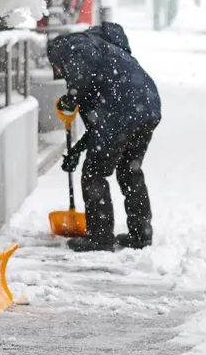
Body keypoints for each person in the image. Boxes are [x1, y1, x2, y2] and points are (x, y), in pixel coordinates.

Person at [46, 22, 161, 252]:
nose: (59, 73)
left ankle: (100, 238)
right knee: (130, 170)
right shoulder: (107, 54)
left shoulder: (74, 46)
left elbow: (104, 119)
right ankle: (140, 234)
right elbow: (99, 127)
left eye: (56, 68)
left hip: (122, 113)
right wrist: (77, 152)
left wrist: (73, 94)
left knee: (94, 173)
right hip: (147, 108)